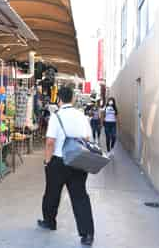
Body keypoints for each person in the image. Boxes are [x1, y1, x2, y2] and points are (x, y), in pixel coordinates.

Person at [38, 86, 95, 246]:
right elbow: (88, 138)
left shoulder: (57, 116)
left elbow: (50, 142)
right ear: (73, 99)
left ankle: (49, 221)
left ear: (59, 99)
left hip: (58, 161)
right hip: (78, 161)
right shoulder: (81, 116)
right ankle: (87, 234)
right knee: (80, 197)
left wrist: (47, 162)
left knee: (51, 193)